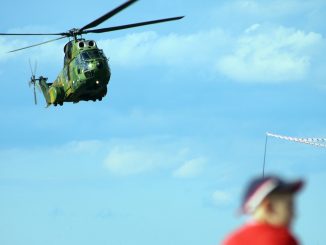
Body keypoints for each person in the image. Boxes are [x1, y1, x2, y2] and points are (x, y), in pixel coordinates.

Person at [222, 175, 304, 245]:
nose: (294, 214)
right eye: (289, 206)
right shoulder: (283, 239)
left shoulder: (231, 240)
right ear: (268, 207)